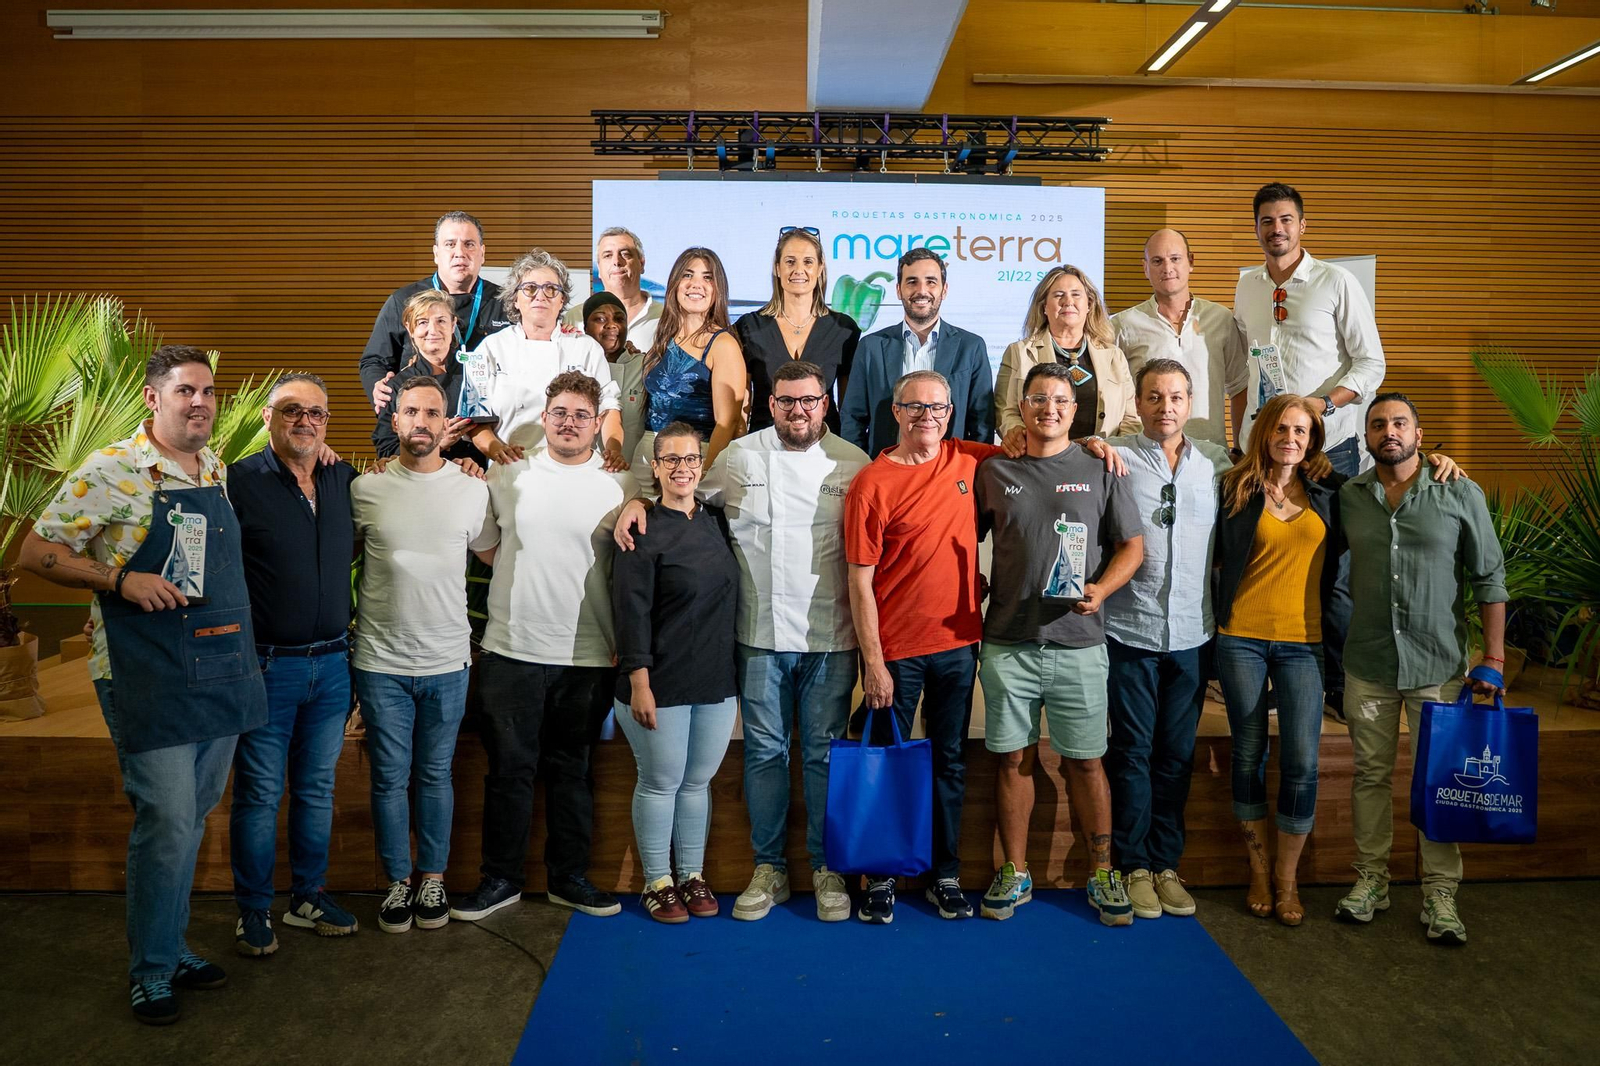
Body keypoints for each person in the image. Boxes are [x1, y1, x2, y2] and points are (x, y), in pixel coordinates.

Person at [19, 344, 268, 1024]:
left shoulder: (213, 468)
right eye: (186, 391)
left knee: (191, 816)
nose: (201, 403)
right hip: (141, 670)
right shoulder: (112, 469)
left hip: (214, 664)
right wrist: (118, 579)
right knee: (164, 817)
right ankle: (151, 970)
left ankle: (171, 942)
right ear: (154, 399)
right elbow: (36, 551)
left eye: (209, 391)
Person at [616, 361, 869, 922]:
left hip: (831, 638)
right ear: (768, 402)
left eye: (808, 400)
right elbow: (679, 498)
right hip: (756, 636)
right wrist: (634, 501)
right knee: (764, 754)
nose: (797, 410)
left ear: (825, 403)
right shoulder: (737, 457)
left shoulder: (855, 463)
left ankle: (827, 869)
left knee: (823, 756)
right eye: (785, 400)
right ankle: (769, 867)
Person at [451, 372, 635, 924]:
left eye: (582, 414)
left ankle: (568, 878)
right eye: (560, 412)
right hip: (512, 648)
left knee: (572, 771)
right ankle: (500, 880)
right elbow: (486, 548)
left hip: (587, 655)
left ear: (596, 420)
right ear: (545, 415)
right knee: (508, 770)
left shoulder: (619, 483)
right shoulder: (508, 472)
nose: (570, 422)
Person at [975, 363, 1145, 926]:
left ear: (1076, 412)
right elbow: (958, 535)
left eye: (1060, 401)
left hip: (1078, 643)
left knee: (1087, 763)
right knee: (1012, 760)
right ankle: (1016, 870)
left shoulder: (1102, 467)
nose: (1049, 408)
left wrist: (1101, 589)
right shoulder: (994, 470)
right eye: (1038, 399)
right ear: (1021, 409)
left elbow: (1132, 547)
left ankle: (1102, 872)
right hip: (1008, 642)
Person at [1335, 394, 1507, 946]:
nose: (1389, 431)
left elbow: (1490, 579)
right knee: (1370, 776)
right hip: (1369, 662)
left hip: (1440, 666)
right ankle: (1372, 881)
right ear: (1366, 436)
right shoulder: (1350, 497)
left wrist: (1495, 660)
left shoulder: (1459, 490)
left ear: (1418, 433)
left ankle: (1440, 892)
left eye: (1399, 423)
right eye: (1378, 423)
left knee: (1442, 782)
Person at [844, 370, 1001, 924]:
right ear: (896, 412)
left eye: (936, 408)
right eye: (915, 408)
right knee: (888, 765)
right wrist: (874, 665)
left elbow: (1035, 444)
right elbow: (860, 582)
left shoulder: (968, 460)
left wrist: (1095, 443)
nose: (926, 417)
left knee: (950, 761)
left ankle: (946, 874)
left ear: (951, 413)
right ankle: (882, 875)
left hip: (959, 646)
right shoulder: (872, 483)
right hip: (897, 653)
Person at [1235, 183, 1387, 719]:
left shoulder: (1335, 281)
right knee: (1276, 566)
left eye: (1285, 220)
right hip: (1265, 451)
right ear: (1255, 228)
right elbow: (1248, 371)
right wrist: (1241, 437)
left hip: (1328, 449)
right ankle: (1290, 678)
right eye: (1266, 221)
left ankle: (1341, 688)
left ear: (1303, 226)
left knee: (1334, 574)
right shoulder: (1247, 286)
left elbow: (1372, 365)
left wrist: (1322, 404)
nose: (1275, 230)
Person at [226, 372, 359, 956]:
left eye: (317, 413)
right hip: (266, 666)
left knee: (315, 789)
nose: (305, 421)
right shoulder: (238, 481)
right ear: (267, 417)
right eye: (291, 411)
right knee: (258, 793)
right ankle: (253, 909)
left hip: (332, 666)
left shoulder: (341, 477)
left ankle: (307, 895)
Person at [351, 376, 489, 934]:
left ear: (446, 421)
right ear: (395, 420)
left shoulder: (472, 489)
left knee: (434, 775)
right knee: (388, 778)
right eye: (410, 411)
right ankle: (397, 885)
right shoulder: (365, 489)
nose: (421, 422)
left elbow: (493, 552)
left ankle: (432, 880)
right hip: (380, 661)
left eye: (432, 412)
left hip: (449, 660)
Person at [1102, 359, 1232, 920]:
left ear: (1190, 401)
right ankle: (1132, 866)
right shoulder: (1115, 456)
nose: (1166, 407)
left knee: (1176, 755)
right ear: (1139, 400)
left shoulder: (1217, 464)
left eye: (1176, 397)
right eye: (1154, 397)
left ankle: (1165, 864)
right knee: (1131, 752)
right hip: (1129, 631)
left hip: (1191, 634)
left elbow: (1293, 471)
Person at [1213, 394, 1343, 928]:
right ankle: (1259, 870)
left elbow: (1393, 474)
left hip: (1303, 644)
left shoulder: (1331, 493)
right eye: (1282, 429)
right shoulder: (1234, 488)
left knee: (1303, 762)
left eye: (1301, 431)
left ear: (1313, 439)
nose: (1291, 439)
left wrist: (1433, 460)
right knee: (1247, 756)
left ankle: (1288, 879)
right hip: (1240, 637)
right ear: (1264, 432)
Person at [611, 423, 741, 923]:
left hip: (714, 680)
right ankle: (657, 881)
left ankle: (691, 874)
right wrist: (639, 680)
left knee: (697, 783)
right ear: (655, 467)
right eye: (672, 460)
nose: (683, 468)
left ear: (702, 464)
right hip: (656, 681)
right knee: (661, 781)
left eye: (691, 459)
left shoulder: (715, 521)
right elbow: (631, 610)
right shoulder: (641, 527)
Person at [465, 249, 625, 468]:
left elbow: (608, 408)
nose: (540, 295)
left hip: (574, 468)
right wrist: (497, 451)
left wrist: (613, 451)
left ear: (562, 300)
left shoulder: (585, 348)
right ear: (515, 300)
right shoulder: (491, 348)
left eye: (551, 289)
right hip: (510, 470)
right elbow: (475, 418)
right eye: (530, 288)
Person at [841, 247, 994, 457]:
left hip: (948, 476)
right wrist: (860, 468)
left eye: (931, 282)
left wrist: (973, 472)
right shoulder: (871, 347)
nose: (922, 290)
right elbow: (853, 418)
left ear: (944, 289)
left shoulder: (971, 347)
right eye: (912, 282)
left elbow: (982, 423)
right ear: (898, 289)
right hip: (885, 472)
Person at [1112, 230, 1248, 450]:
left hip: (1210, 453)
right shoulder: (1123, 325)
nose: (1167, 268)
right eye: (1157, 261)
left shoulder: (1220, 318)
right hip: (1145, 454)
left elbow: (1239, 386)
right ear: (1145, 267)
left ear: (1190, 261)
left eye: (1175, 259)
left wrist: (1241, 450)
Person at [361, 211, 507, 414]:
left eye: (469, 244)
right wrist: (378, 386)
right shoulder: (403, 300)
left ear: (482, 253)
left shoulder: (506, 302)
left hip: (487, 421)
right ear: (436, 253)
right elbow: (374, 360)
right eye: (450, 244)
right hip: (419, 420)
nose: (460, 252)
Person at [995, 265, 1141, 452]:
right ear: (1044, 307)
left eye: (1076, 294)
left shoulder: (1114, 355)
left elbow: (1131, 419)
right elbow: (1005, 412)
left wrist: (1110, 449)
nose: (1067, 301)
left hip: (1102, 461)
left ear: (1089, 304)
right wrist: (1029, 441)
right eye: (1058, 295)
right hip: (1041, 459)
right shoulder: (1019, 352)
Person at [734, 227, 859, 435]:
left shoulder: (844, 329)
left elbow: (850, 409)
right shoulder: (749, 327)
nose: (798, 270)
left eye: (808, 262)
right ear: (777, 268)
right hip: (764, 448)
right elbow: (740, 409)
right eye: (790, 262)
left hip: (825, 449)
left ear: (820, 268)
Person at [638, 247, 748, 469]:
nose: (696, 284)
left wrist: (703, 474)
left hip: (691, 462)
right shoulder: (661, 337)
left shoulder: (723, 344)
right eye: (687, 275)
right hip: (645, 460)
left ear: (718, 289)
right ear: (675, 285)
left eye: (707, 278)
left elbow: (727, 424)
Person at [371, 289, 480, 464]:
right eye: (422, 322)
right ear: (410, 328)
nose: (433, 330)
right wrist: (439, 444)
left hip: (470, 473)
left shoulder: (476, 376)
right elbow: (386, 449)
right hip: (415, 480)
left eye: (441, 321)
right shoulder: (396, 385)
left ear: (453, 325)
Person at [563, 225, 663, 351]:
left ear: (641, 263)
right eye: (608, 256)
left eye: (625, 254)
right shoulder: (576, 317)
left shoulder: (666, 318)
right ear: (599, 269)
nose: (616, 261)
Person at [580, 290, 647, 462]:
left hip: (636, 470)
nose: (612, 325)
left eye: (619, 319)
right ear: (585, 328)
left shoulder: (645, 366)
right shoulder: (575, 367)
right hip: (586, 470)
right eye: (600, 319)